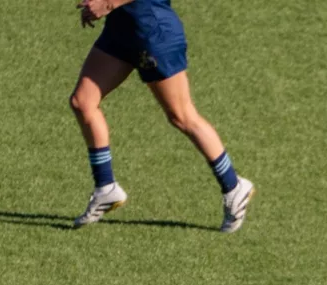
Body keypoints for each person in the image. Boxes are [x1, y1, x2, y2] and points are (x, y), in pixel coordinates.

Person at [69, 0, 254, 232]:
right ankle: (106, 187)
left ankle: (234, 187)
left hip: (153, 32)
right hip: (120, 30)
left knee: (182, 116)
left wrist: (107, 3)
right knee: (82, 102)